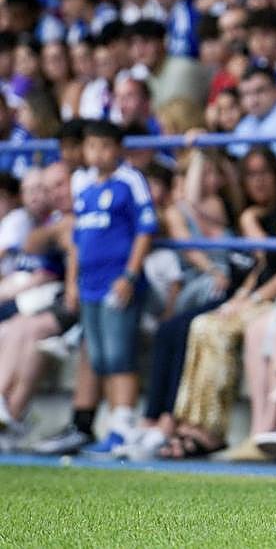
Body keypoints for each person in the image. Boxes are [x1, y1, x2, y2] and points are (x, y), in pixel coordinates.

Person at [69, 121, 157, 455]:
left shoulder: (130, 181)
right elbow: (77, 240)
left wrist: (130, 276)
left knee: (120, 354)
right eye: (91, 146)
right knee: (100, 356)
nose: (97, 153)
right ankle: (114, 425)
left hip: (116, 282)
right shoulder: (84, 186)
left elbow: (145, 229)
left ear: (118, 148)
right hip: (88, 284)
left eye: (105, 146)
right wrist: (72, 281)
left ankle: (125, 426)